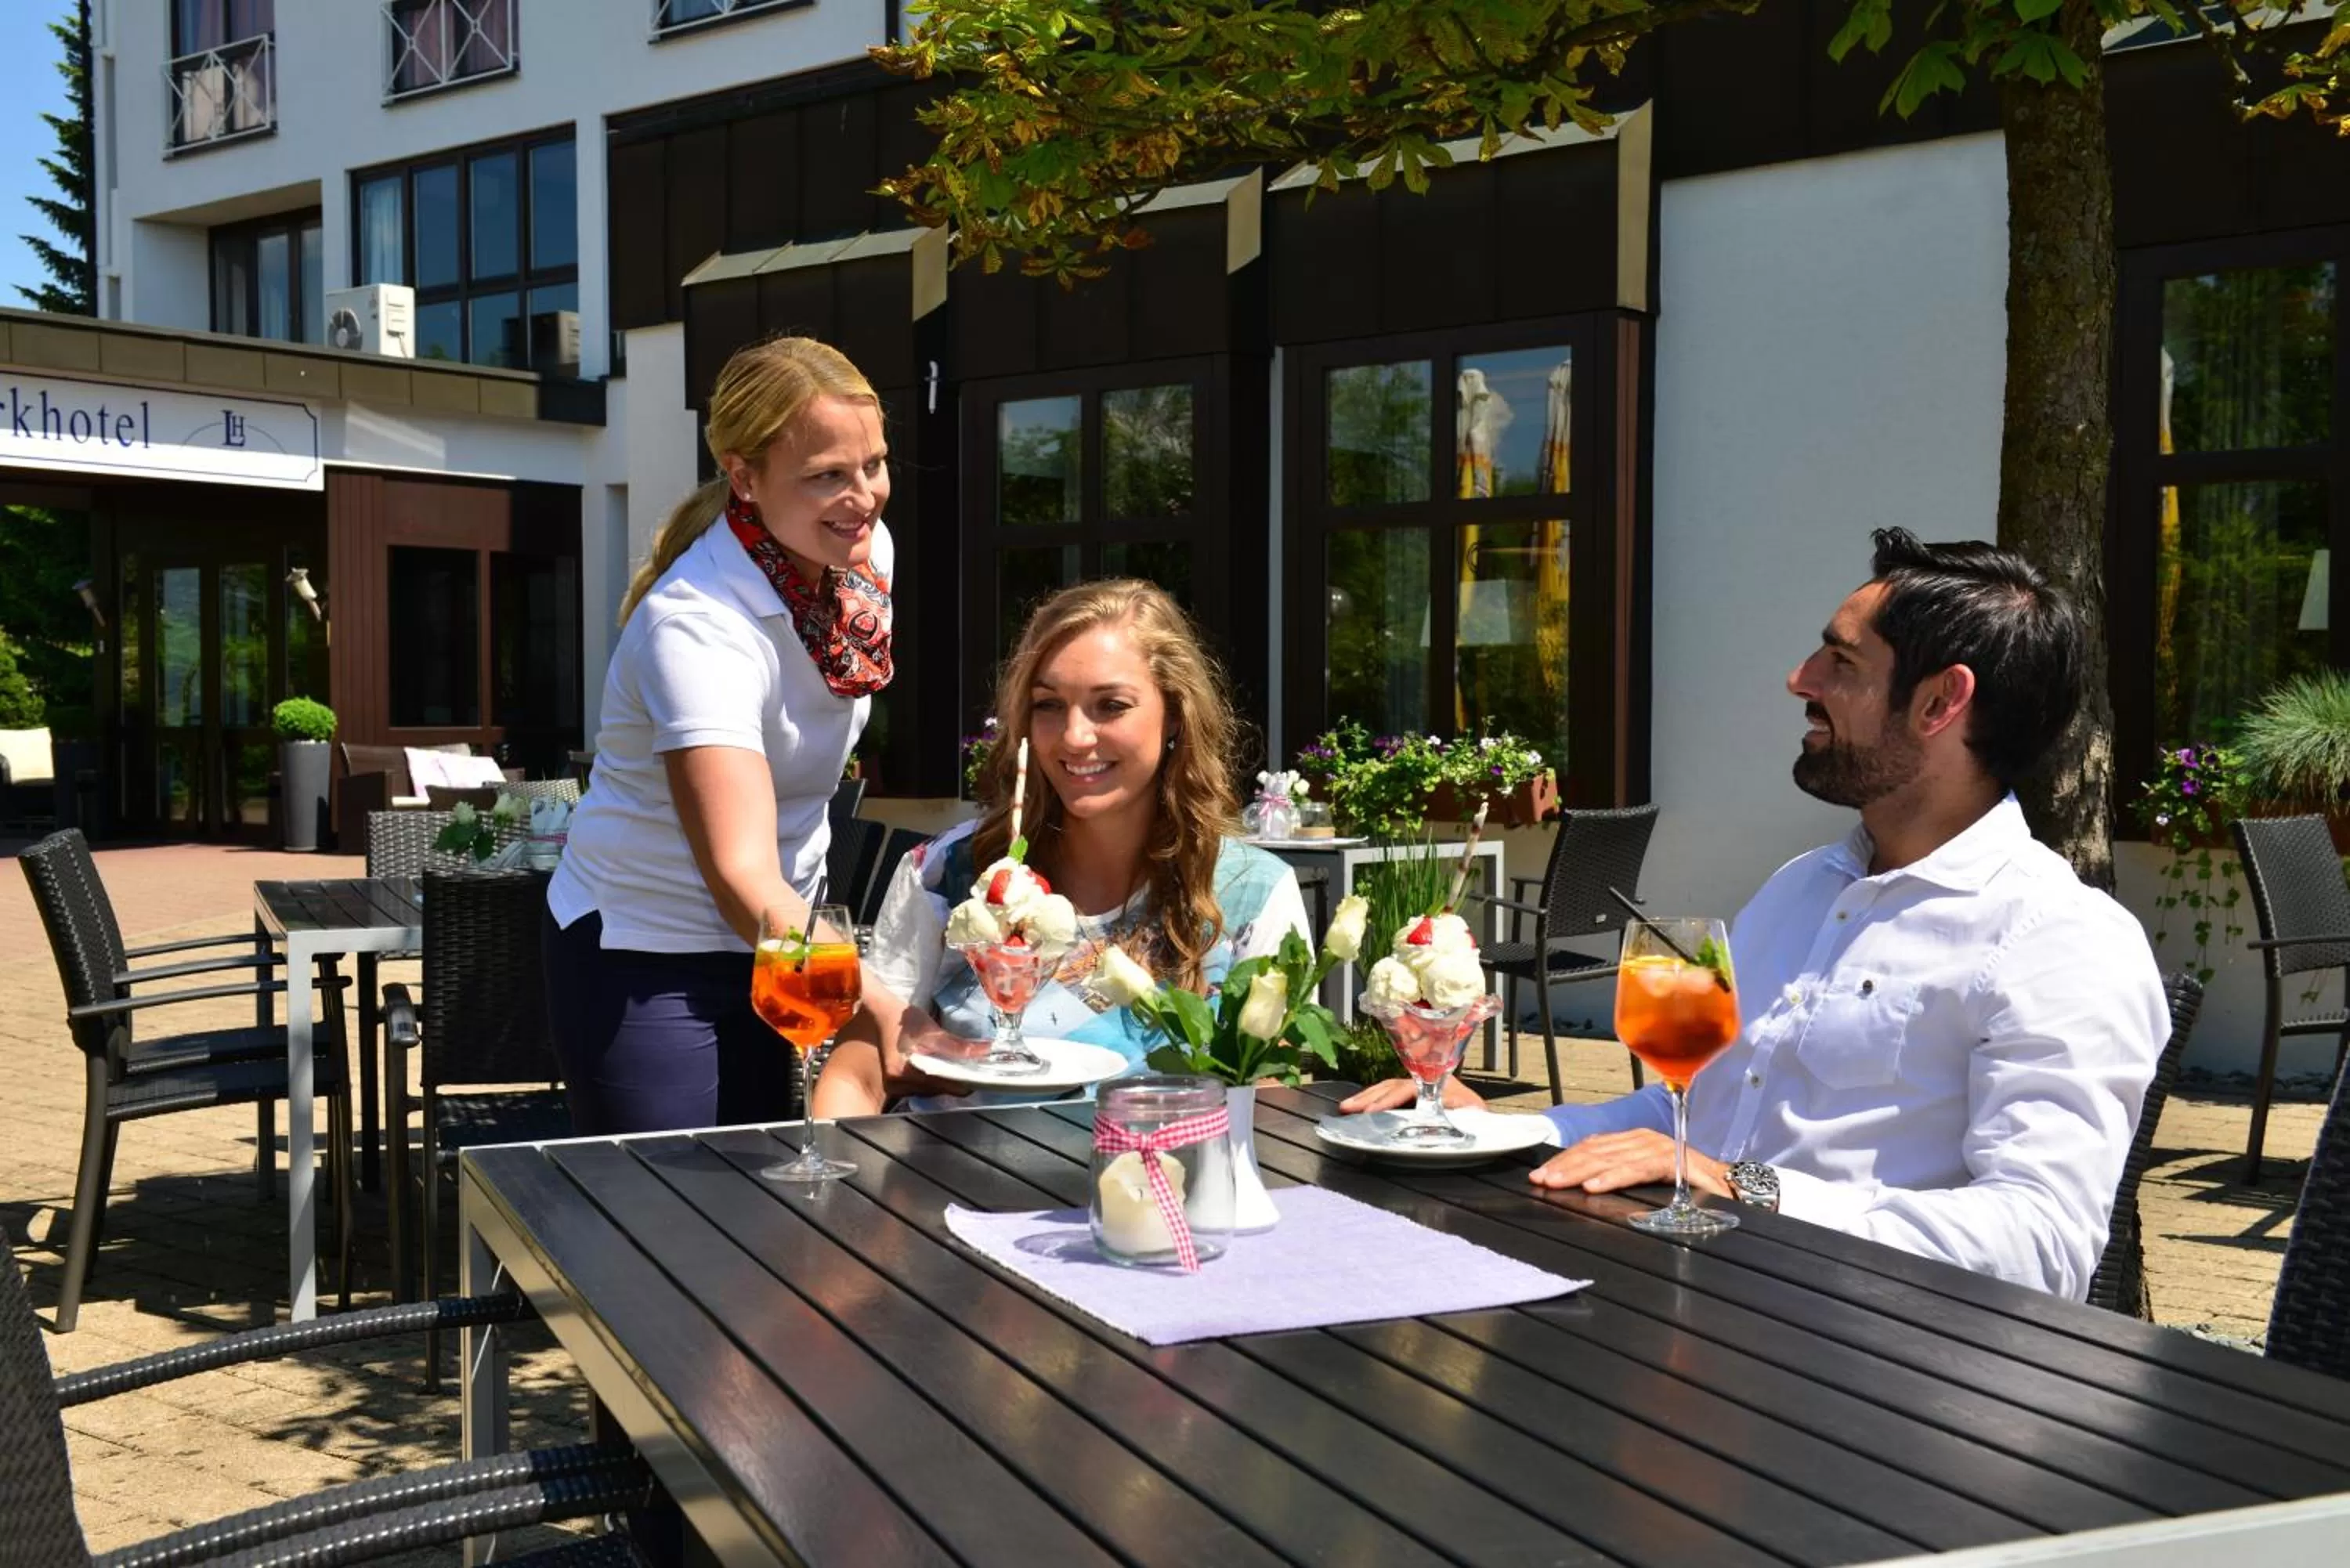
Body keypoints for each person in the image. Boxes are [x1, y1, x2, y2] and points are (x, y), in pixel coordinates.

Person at [1345, 529, 2167, 1300]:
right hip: (1705, 1316)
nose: (1800, 678)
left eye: (1841, 661)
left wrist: (1755, 1189)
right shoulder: (1801, 888)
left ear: (1941, 702)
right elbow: (1689, 1114)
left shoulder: (2060, 940)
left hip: (1880, 1391)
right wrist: (1508, 1129)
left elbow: (2043, 1245)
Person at [544, 335, 916, 1135]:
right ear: (745, 477)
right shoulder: (696, 624)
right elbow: (740, 872)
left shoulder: (861, 555)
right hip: (648, 957)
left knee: (761, 1197)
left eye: (874, 464)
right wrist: (883, 1003)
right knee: (677, 1219)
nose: (864, 497)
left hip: (780, 941)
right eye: (827, 476)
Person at [813, 580, 1311, 1116]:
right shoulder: (951, 872)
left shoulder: (1251, 892)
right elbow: (859, 1079)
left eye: (1110, 706)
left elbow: (1271, 1101)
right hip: (957, 1189)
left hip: (1163, 1192)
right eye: (1048, 705)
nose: (1074, 737)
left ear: (1174, 716)